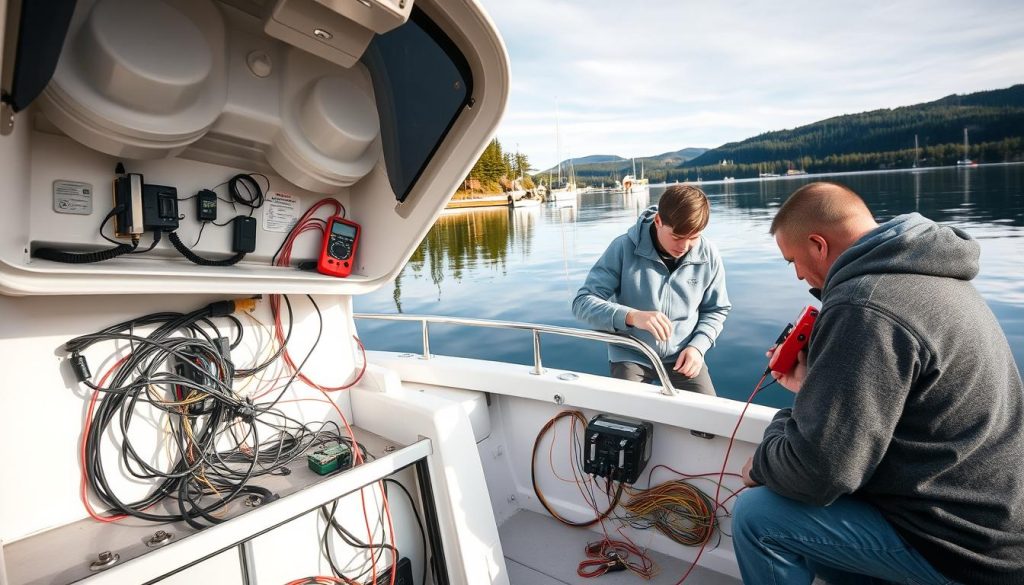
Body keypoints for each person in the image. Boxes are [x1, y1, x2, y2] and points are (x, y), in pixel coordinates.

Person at [733, 182, 1024, 584]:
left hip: (962, 550)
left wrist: (762, 462)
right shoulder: (935, 273)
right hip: (995, 527)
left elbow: (818, 474)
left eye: (793, 261)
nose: (798, 274)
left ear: (818, 244)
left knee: (758, 516)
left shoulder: (863, 304)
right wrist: (813, 389)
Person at [571, 185, 730, 394]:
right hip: (632, 353)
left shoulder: (708, 254)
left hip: (684, 355)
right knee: (629, 422)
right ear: (658, 221)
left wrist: (698, 347)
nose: (684, 246)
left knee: (710, 421)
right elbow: (582, 303)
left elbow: (716, 310)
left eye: (694, 237)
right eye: (677, 237)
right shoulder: (622, 248)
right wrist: (632, 316)